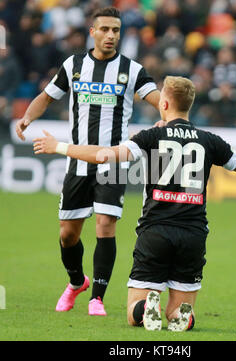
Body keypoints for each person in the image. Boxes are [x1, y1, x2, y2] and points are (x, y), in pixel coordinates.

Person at [32, 75, 236, 331]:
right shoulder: (211, 141)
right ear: (189, 104)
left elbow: (103, 156)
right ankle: (182, 316)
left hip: (155, 232)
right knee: (177, 310)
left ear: (164, 104)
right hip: (193, 234)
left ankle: (145, 308)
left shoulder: (150, 136)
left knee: (134, 310)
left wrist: (60, 147)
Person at [15, 6, 160, 316]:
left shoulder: (131, 70)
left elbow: (156, 97)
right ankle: (76, 281)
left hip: (112, 161)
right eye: (105, 29)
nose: (111, 35)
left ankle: (97, 297)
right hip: (77, 161)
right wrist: (28, 115)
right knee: (68, 234)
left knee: (105, 225)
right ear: (92, 32)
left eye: (116, 30)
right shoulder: (74, 65)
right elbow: (48, 95)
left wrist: (169, 115)